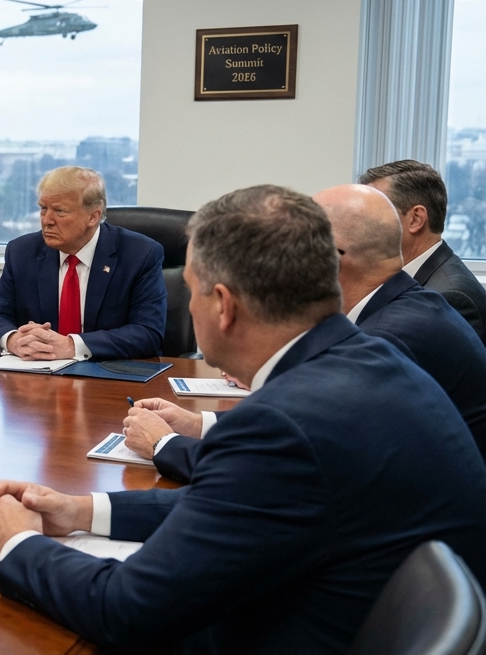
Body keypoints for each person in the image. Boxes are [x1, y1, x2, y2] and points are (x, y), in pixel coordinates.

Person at [0, 185, 486, 655]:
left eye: (190, 290)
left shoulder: (284, 423)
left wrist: (17, 542)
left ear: (222, 305)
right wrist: (82, 510)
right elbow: (234, 505)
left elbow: (127, 608)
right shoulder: (366, 360)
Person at [126, 183, 486, 480]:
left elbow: (273, 463)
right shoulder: (400, 306)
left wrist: (164, 444)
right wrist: (199, 423)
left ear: (329, 259)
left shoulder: (390, 336)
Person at [0, 166, 165, 361]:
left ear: (93, 217)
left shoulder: (140, 254)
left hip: (107, 372)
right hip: (37, 373)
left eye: (59, 211)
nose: (47, 220)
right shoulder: (22, 251)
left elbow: (148, 334)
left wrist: (70, 346)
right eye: (43, 208)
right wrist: (14, 340)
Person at [360, 160, 486, 344]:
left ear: (415, 219)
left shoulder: (450, 297)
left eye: (371, 214)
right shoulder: (409, 276)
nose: (361, 226)